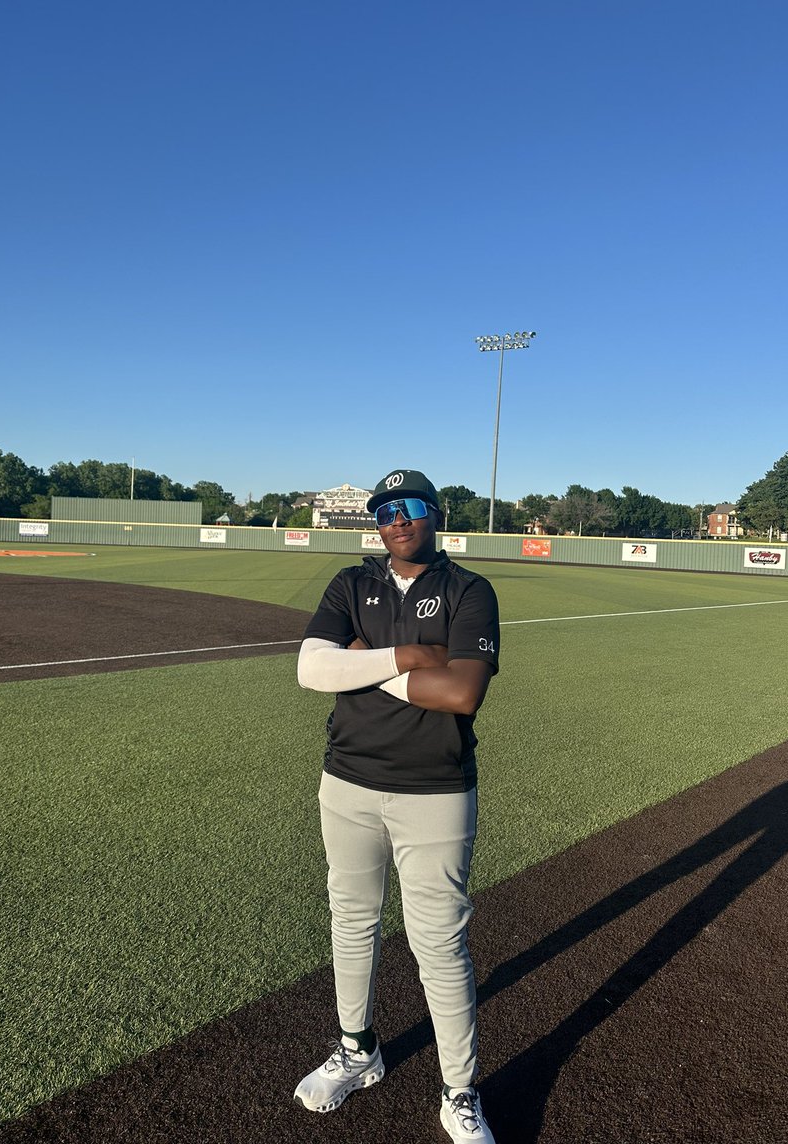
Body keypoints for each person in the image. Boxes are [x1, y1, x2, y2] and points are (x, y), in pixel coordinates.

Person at [294, 468, 500, 1143]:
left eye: (409, 507)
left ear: (435, 514)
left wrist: (365, 659)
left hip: (435, 790)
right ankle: (359, 1050)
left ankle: (460, 1090)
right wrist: (411, 655)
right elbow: (311, 670)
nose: (396, 519)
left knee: (439, 943)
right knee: (351, 920)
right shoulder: (351, 584)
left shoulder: (470, 590)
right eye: (384, 511)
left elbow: (461, 695)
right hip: (347, 781)